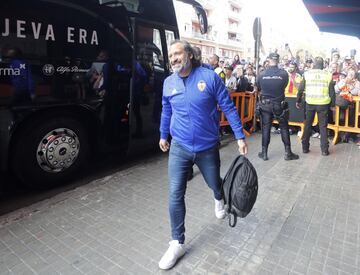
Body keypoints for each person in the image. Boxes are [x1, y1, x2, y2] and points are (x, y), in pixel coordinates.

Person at [158, 40, 248, 270]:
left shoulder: (209, 78)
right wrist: (163, 135)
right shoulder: (169, 82)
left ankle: (219, 197)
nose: (174, 58)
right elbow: (166, 110)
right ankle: (177, 241)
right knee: (175, 192)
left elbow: (228, 106)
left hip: (207, 147)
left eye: (177, 53)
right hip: (179, 147)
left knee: (214, 184)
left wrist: (239, 136)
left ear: (189, 54)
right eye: (171, 55)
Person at [256, 52, 299, 161]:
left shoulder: (261, 74)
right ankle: (288, 153)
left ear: (268, 60)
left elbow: (259, 87)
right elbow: (284, 85)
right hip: (279, 104)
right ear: (278, 60)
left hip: (265, 105)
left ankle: (264, 153)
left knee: (266, 127)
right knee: (284, 127)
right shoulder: (283, 74)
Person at [296, 56, 335, 156]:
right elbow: (332, 91)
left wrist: (298, 100)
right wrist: (333, 105)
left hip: (310, 103)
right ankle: (324, 150)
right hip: (323, 104)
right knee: (323, 126)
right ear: (323, 65)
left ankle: (305, 148)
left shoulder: (307, 74)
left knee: (308, 125)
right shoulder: (328, 75)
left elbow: (300, 89)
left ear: (314, 64)